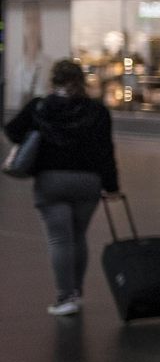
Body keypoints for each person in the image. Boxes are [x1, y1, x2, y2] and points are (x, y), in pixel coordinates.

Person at [6, 60, 121, 317]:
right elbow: (106, 152)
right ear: (82, 80)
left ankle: (64, 297)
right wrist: (111, 186)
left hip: (51, 181)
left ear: (53, 80)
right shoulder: (97, 111)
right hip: (88, 182)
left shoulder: (41, 107)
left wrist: (35, 134)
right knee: (78, 237)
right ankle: (77, 293)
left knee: (60, 240)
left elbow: (12, 130)